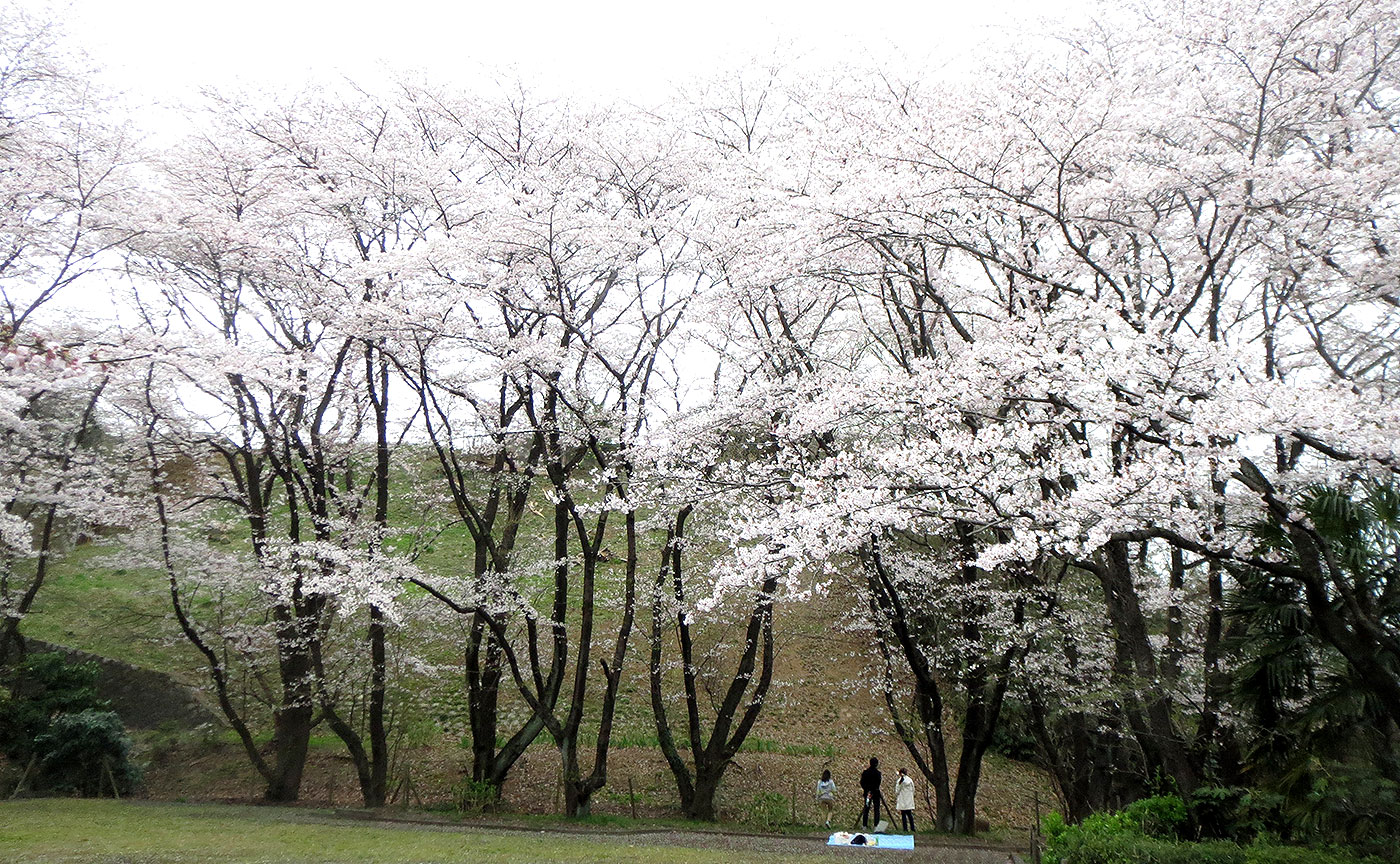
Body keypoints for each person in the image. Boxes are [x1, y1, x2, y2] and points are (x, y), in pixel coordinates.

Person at [858, 756, 882, 829]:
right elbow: (879, 782)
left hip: (868, 793)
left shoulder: (865, 772)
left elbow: (862, 782)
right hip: (876, 793)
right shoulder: (878, 773)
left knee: (867, 808)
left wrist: (866, 789)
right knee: (876, 809)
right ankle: (876, 825)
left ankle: (864, 825)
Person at [895, 767, 916, 832]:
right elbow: (913, 789)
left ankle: (905, 829)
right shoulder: (910, 780)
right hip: (909, 800)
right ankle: (912, 828)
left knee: (903, 815)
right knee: (909, 815)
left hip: (902, 799)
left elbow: (897, 791)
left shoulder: (899, 781)